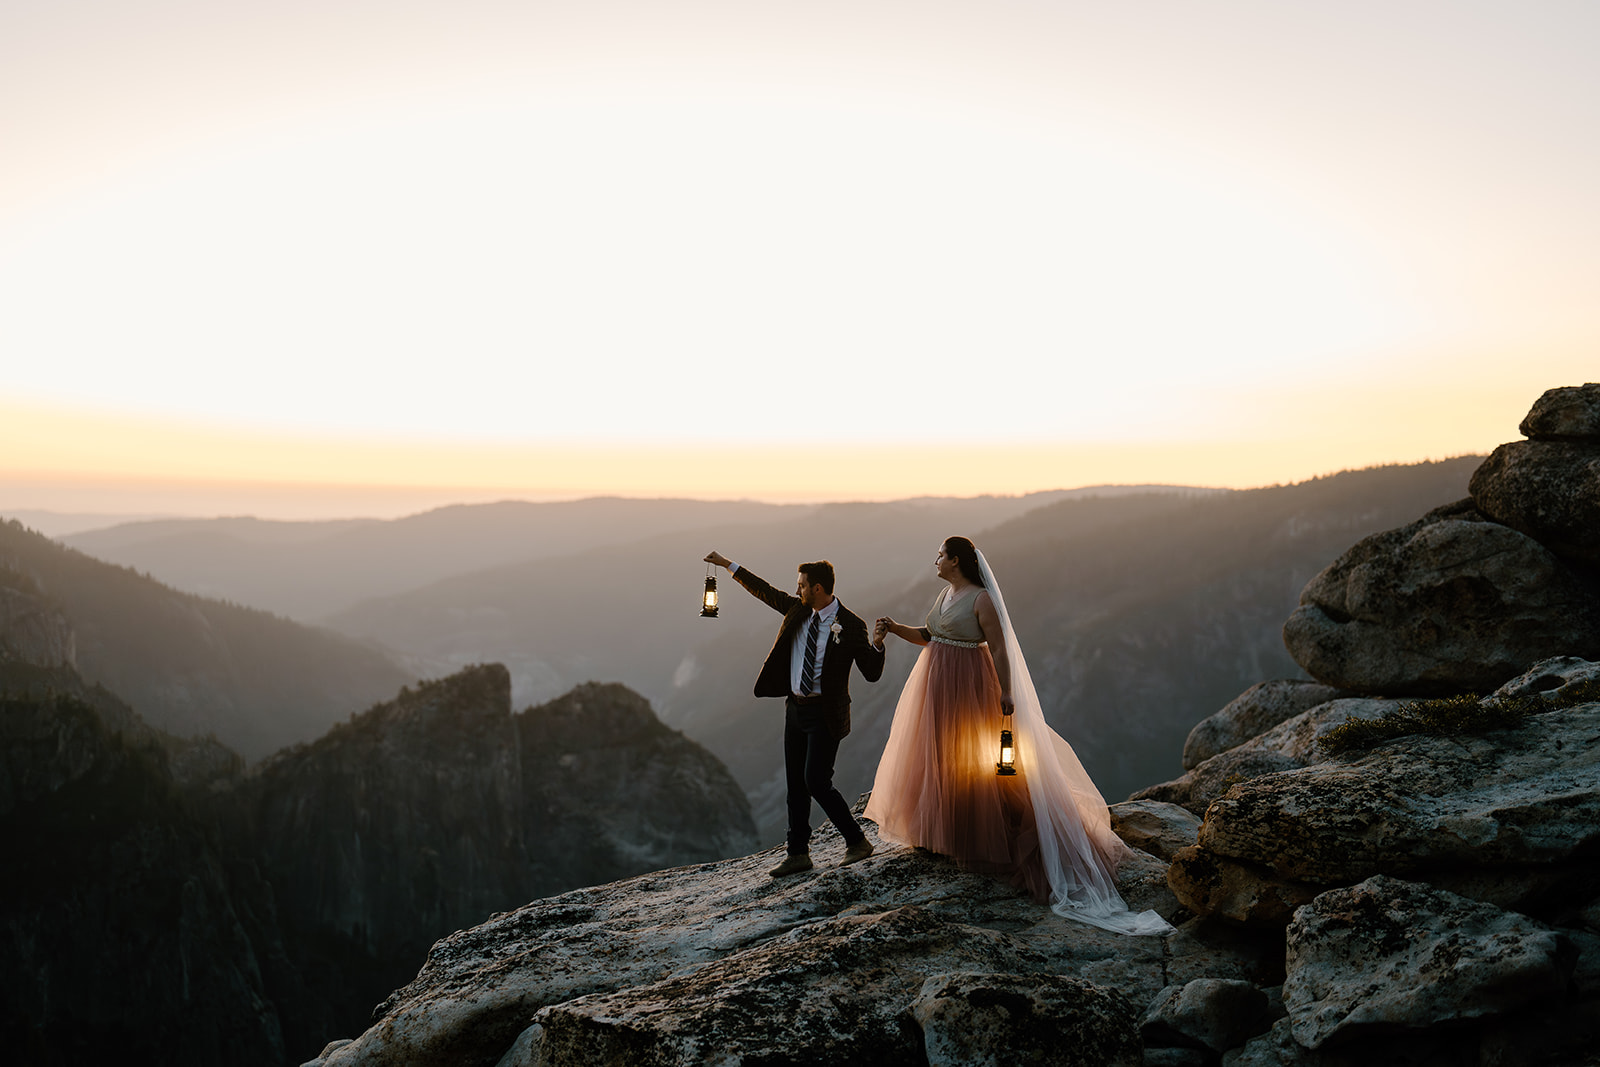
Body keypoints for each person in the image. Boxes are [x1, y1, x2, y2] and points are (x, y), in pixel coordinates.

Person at [864, 536, 1171, 935]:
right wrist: (894, 627)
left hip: (968, 687)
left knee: (966, 757)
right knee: (938, 756)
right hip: (936, 687)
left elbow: (998, 649)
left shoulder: (981, 600)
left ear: (956, 560)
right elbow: (930, 635)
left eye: (940, 555)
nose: (934, 560)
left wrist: (1006, 691)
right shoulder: (946, 593)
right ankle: (942, 829)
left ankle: (980, 834)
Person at [703, 551, 887, 877]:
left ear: (817, 588)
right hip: (795, 710)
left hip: (826, 714)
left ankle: (858, 842)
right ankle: (798, 853)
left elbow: (871, 673)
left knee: (817, 781)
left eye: (801, 585)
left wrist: (877, 644)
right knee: (795, 786)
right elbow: (764, 590)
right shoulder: (797, 611)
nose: (796, 589)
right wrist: (727, 564)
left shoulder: (851, 625)